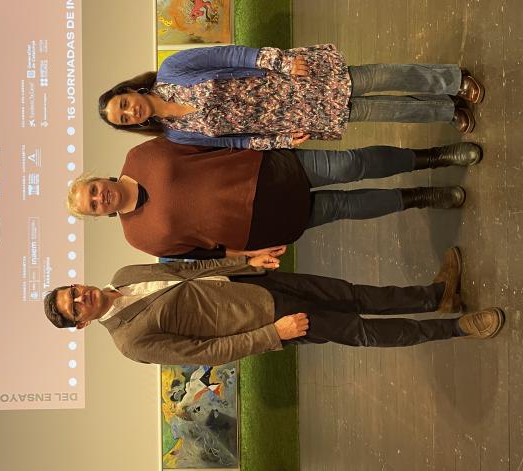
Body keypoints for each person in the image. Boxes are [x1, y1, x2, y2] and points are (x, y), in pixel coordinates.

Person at [42, 247, 505, 366]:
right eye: (75, 308)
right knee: (359, 330)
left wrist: (245, 262)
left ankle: (435, 296)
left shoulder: (125, 273)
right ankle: (457, 328)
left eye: (73, 291)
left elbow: (190, 269)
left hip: (258, 283)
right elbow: (207, 352)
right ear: (80, 324)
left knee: (353, 293)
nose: (81, 298)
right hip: (268, 319)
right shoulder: (130, 342)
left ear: (78, 283)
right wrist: (272, 335)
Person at [66, 136, 481, 258]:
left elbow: (207, 140)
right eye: (93, 205)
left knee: (351, 164)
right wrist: (248, 256)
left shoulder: (141, 155)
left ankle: (434, 156)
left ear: (98, 179)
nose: (100, 198)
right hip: (258, 226)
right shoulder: (138, 238)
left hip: (263, 169)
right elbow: (202, 253)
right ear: (99, 216)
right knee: (345, 207)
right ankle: (425, 196)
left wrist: (264, 138)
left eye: (93, 190)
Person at [98, 45, 485, 150]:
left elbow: (228, 55)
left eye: (123, 105)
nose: (130, 112)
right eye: (124, 119)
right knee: (376, 111)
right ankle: (445, 110)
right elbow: (234, 142)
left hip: (289, 80)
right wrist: (279, 141)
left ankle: (452, 80)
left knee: (375, 78)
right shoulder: (176, 134)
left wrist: (278, 61)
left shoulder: (172, 70)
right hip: (289, 118)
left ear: (129, 90)